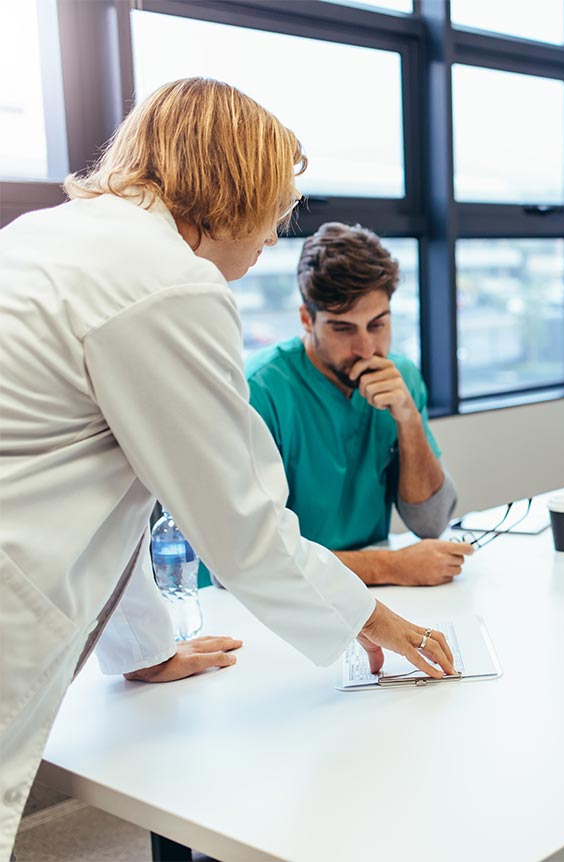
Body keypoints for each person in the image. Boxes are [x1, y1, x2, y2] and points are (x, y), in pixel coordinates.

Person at [0, 78, 453, 858]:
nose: (275, 237)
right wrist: (373, 617)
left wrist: (143, 650)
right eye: (276, 211)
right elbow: (238, 525)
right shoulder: (166, 282)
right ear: (235, 194)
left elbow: (118, 489)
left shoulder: (50, 236)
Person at [244, 222, 471, 586]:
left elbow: (431, 523)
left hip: (367, 594)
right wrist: (391, 566)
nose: (366, 349)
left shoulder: (402, 376)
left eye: (377, 324)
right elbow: (251, 559)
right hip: (270, 603)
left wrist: (408, 419)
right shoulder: (259, 389)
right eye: (343, 328)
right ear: (306, 319)